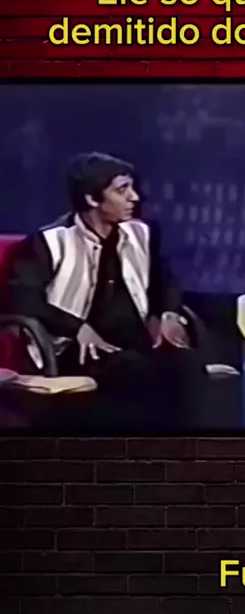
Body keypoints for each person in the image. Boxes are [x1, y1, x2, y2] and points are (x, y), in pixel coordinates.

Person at [5, 152, 208, 426]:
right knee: (134, 373)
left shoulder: (142, 233)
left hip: (136, 342)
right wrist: (77, 327)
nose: (135, 197)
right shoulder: (49, 242)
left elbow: (165, 281)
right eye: (122, 190)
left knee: (187, 366)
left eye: (132, 188)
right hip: (77, 349)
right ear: (92, 199)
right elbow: (23, 300)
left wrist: (170, 314)